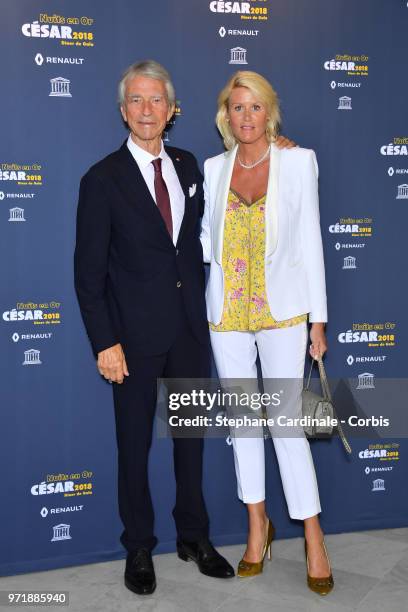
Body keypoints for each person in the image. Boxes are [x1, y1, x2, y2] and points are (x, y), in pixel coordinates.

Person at [74, 60, 236, 596]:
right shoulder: (101, 179)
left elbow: (236, 190)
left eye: (157, 100)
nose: (147, 110)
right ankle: (139, 546)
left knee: (191, 443)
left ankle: (194, 537)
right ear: (124, 112)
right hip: (133, 341)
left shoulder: (191, 166)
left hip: (190, 333)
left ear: (172, 110)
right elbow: (88, 274)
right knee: (133, 447)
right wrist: (105, 342)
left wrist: (276, 148)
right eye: (137, 101)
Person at [200, 71, 334, 595]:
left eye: (255, 107)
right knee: (242, 425)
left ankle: (313, 536)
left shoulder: (298, 162)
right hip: (227, 314)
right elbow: (204, 239)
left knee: (286, 426)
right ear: (225, 116)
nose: (246, 117)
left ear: (269, 112)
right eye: (237, 108)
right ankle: (258, 527)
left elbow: (312, 242)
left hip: (283, 314)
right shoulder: (213, 169)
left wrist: (317, 319)